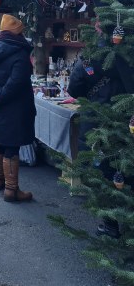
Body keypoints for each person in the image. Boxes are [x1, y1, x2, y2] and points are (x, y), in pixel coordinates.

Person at [68, 54, 134, 237]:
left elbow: (74, 88)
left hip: (97, 120)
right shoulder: (127, 52)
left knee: (102, 169)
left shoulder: (89, 58)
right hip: (127, 120)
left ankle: (110, 222)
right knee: (126, 166)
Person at [0, 14, 36, 202]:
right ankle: (11, 190)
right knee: (11, 146)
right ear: (18, 33)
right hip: (14, 108)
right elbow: (16, 83)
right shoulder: (20, 52)